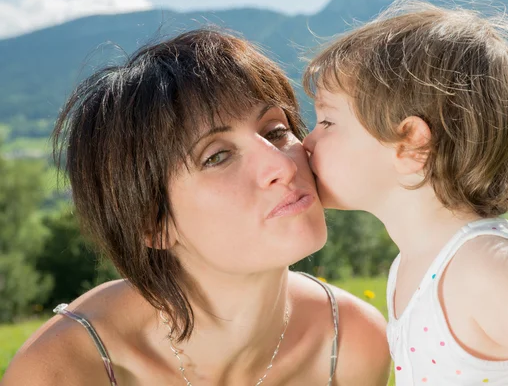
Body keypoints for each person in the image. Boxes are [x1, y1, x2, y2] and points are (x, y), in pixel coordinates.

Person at [2, 29, 390, 386]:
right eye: (217, 156)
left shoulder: (352, 342)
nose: (283, 164)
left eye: (275, 131)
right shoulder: (62, 372)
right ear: (152, 224)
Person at [302, 0, 508, 386]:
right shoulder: (411, 267)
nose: (306, 141)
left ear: (410, 144)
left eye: (326, 121)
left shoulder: (489, 269)